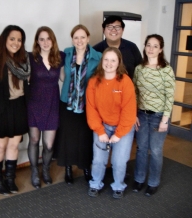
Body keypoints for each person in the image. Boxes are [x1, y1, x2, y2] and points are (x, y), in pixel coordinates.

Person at [0, 25, 31, 195]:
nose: (16, 43)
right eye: (12, 38)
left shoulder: (23, 60)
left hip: (18, 106)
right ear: (4, 39)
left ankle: (10, 179)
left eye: (19, 40)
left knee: (13, 145)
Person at [54, 24, 102, 184]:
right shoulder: (65, 55)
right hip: (66, 103)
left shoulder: (98, 57)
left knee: (85, 137)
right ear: (72, 39)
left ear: (88, 38)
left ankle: (85, 167)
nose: (79, 40)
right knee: (67, 137)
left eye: (83, 37)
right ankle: (68, 168)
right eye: (76, 37)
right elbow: (60, 75)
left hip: (87, 104)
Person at [86, 47, 136, 199]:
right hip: (102, 126)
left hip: (123, 127)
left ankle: (118, 185)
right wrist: (100, 131)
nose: (109, 63)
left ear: (119, 62)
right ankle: (95, 183)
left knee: (119, 161)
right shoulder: (94, 81)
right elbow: (91, 109)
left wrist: (119, 134)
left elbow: (129, 111)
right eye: (106, 59)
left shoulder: (125, 81)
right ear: (102, 62)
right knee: (98, 160)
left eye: (113, 60)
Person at [132, 34, 175, 196]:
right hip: (141, 115)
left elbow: (170, 97)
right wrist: (134, 114)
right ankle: (139, 179)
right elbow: (134, 93)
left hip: (159, 117)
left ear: (161, 49)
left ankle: (153, 182)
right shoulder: (139, 69)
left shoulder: (166, 70)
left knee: (156, 150)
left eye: (155, 46)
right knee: (141, 148)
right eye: (148, 45)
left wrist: (165, 120)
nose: (151, 49)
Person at [27, 26, 65, 188]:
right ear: (37, 41)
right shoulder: (30, 58)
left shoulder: (60, 57)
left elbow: (64, 78)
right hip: (34, 102)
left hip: (52, 103)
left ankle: (46, 169)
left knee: (49, 144)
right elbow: (24, 79)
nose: (45, 42)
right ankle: (35, 171)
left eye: (48, 38)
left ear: (53, 40)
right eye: (41, 39)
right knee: (34, 140)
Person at [93, 15, 142, 79]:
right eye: (109, 27)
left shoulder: (132, 47)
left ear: (123, 30)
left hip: (128, 88)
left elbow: (140, 71)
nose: (113, 30)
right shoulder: (95, 50)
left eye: (117, 27)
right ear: (103, 30)